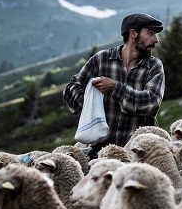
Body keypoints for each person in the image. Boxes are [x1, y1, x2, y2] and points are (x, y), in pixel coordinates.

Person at [63, 12, 165, 158]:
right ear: (133, 34)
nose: (156, 40)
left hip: (139, 153)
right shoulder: (101, 59)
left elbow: (151, 103)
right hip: (101, 153)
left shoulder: (154, 66)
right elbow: (72, 86)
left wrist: (116, 88)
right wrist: (90, 103)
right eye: (150, 33)